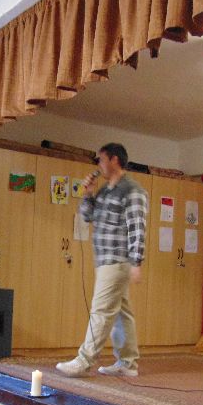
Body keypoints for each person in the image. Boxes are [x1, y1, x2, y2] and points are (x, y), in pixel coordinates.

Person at [56, 143, 148, 378]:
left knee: (101, 310)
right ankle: (128, 363)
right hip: (104, 261)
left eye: (100, 160)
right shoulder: (106, 191)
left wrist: (136, 262)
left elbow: (138, 227)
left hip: (118, 260)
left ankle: (84, 361)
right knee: (121, 313)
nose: (98, 165)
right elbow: (87, 216)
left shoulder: (132, 190)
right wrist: (88, 193)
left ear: (114, 160)